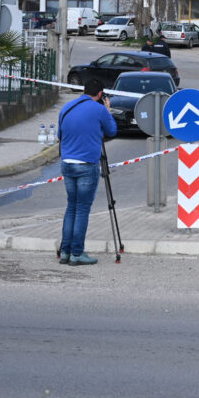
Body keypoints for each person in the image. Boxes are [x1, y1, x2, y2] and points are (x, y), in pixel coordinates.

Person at [57, 78, 117, 266]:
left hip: (67, 163)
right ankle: (77, 253)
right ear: (100, 95)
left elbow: (60, 135)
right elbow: (112, 130)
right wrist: (107, 110)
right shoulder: (99, 109)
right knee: (82, 209)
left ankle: (65, 251)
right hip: (86, 165)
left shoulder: (66, 107)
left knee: (71, 206)